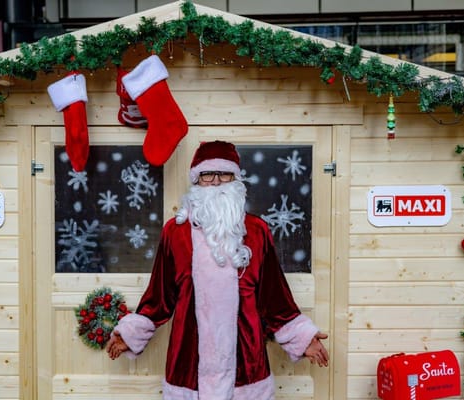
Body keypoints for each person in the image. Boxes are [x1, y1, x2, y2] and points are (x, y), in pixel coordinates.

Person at [106, 140, 329, 400]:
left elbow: (274, 296)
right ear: (196, 181)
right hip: (189, 359)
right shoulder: (174, 232)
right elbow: (159, 296)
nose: (215, 182)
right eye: (207, 174)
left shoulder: (256, 231)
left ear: (235, 179)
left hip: (245, 360)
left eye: (224, 174)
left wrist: (303, 338)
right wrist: (130, 333)